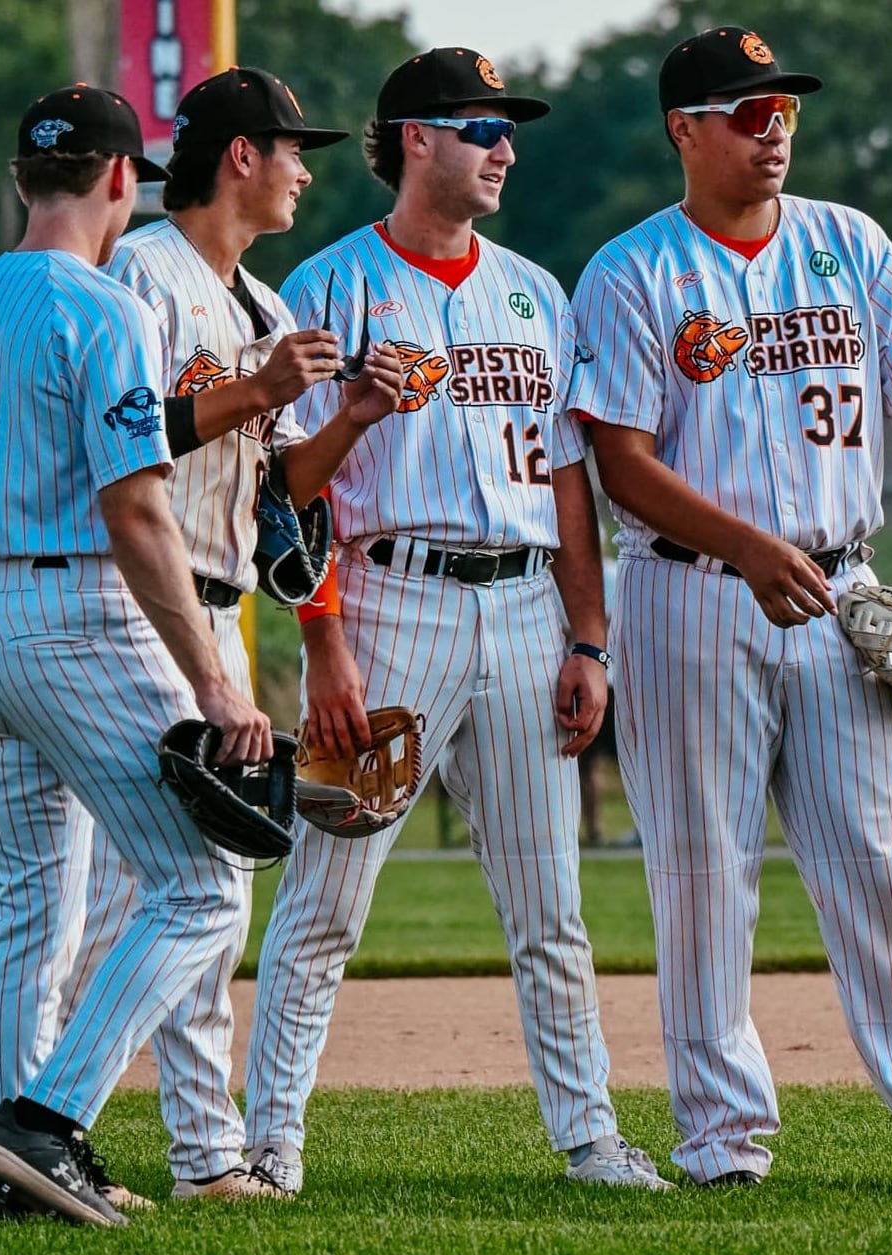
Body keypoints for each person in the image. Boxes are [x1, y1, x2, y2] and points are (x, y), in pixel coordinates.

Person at [569, 26, 892, 1196]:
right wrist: (741, 543)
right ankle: (720, 1141)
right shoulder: (630, 272)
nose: (772, 127)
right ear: (685, 127)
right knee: (701, 875)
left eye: (782, 109)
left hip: (841, 593)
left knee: (878, 865)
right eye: (745, 108)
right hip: (684, 592)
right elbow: (617, 459)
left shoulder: (848, 244)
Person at [240, 46, 673, 1195]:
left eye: (507, 128)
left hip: (529, 609)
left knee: (550, 910)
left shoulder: (537, 291)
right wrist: (322, 648)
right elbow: (288, 496)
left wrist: (590, 638)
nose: (504, 147)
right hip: (388, 607)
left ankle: (588, 1139)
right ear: (413, 138)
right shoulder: (327, 287)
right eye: (481, 126)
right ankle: (269, 1141)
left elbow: (569, 481)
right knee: (327, 900)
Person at [0, 84, 272, 1227]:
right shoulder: (104, 307)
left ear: (29, 178)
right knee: (203, 887)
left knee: (32, 908)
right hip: (73, 614)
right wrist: (216, 682)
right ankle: (48, 1122)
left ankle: (6, 1164)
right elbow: (135, 510)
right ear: (126, 180)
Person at [55, 67, 403, 1203]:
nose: (308, 167)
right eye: (292, 147)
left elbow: (276, 494)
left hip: (217, 605)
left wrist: (344, 420)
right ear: (239, 156)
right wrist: (254, 392)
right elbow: (107, 453)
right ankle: (51, 1128)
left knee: (194, 895)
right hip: (131, 604)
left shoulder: (256, 303)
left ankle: (199, 1156)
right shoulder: (138, 281)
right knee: (158, 898)